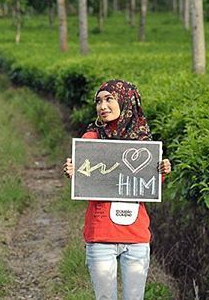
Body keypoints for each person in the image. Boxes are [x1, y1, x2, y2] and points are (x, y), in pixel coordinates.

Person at [64, 80, 171, 300]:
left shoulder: (142, 141)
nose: (102, 106)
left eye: (109, 99)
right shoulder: (91, 139)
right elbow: (85, 177)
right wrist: (73, 170)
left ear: (126, 101)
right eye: (99, 101)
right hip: (101, 234)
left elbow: (148, 187)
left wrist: (161, 170)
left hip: (136, 236)